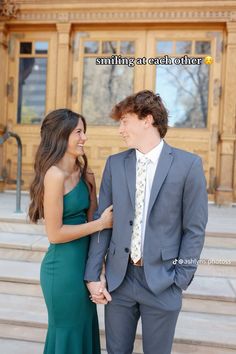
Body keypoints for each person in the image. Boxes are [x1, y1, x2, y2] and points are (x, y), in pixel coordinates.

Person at [84, 90, 208, 354]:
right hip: (120, 281)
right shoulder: (115, 164)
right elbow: (102, 222)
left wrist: (180, 279)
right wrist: (93, 275)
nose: (120, 130)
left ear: (147, 120)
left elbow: (194, 230)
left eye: (125, 121)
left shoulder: (188, 165)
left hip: (164, 283)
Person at [28, 109, 113, 354]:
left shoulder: (87, 175)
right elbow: (55, 234)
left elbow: (96, 228)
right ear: (61, 136)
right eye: (78, 132)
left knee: (85, 330)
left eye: (83, 131)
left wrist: (100, 270)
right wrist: (101, 224)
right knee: (67, 334)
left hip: (84, 269)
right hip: (62, 272)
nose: (84, 137)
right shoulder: (54, 176)